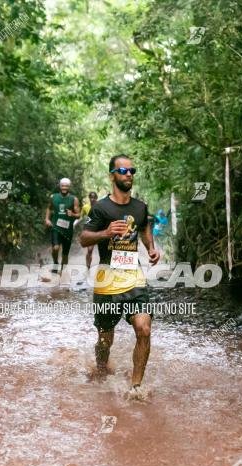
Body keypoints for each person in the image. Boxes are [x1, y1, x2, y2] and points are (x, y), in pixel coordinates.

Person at [79, 155, 160, 401]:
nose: (129, 174)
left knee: (143, 328)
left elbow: (145, 230)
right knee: (105, 338)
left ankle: (136, 387)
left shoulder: (140, 207)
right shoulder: (100, 208)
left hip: (134, 278)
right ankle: (102, 369)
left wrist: (151, 249)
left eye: (132, 170)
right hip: (107, 280)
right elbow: (83, 238)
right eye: (123, 170)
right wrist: (105, 232)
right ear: (112, 175)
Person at [44, 178, 80, 273]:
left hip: (68, 229)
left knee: (65, 254)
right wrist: (47, 219)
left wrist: (72, 214)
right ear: (60, 186)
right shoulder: (53, 197)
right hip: (56, 227)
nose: (64, 188)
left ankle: (63, 272)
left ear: (69, 187)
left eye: (66, 186)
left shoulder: (74, 199)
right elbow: (48, 208)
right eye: (62, 186)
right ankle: (55, 263)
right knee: (55, 248)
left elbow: (79, 215)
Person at [81, 191, 99, 269]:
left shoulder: (100, 206)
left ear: (96, 198)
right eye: (91, 197)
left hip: (100, 230)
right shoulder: (85, 207)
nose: (92, 199)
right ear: (89, 198)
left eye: (94, 197)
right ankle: (88, 267)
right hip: (90, 230)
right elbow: (81, 217)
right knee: (90, 250)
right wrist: (74, 224)